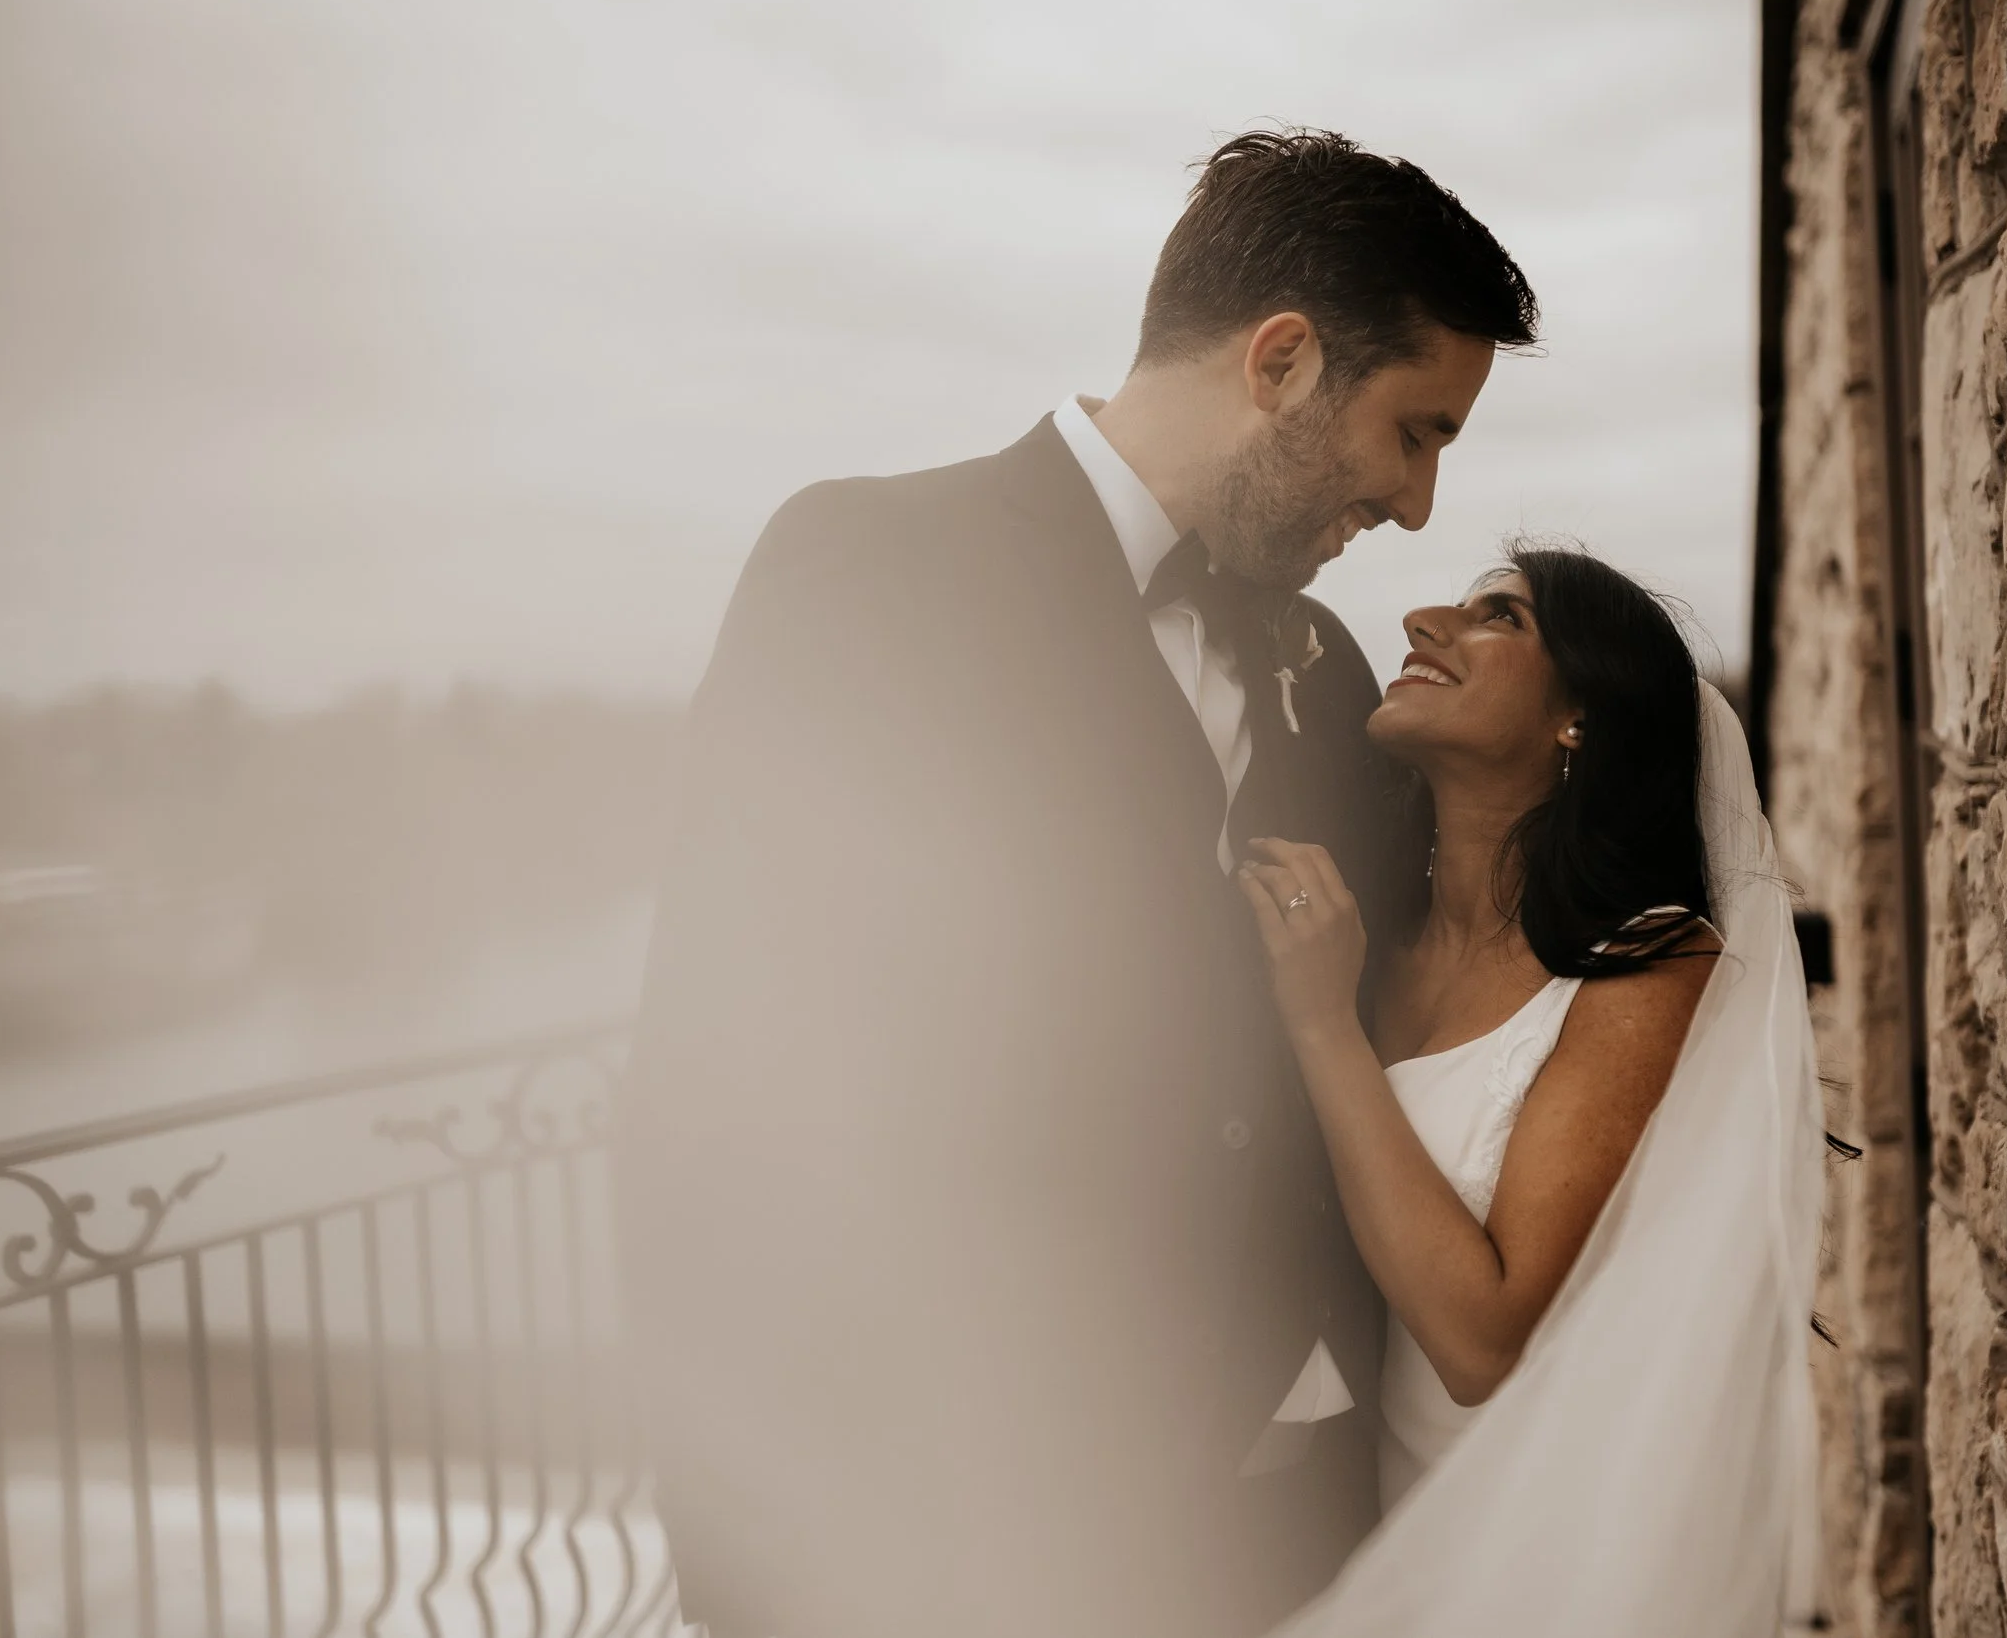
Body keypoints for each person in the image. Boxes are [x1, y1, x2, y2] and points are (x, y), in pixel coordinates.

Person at [619, 129, 1538, 1638]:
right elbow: (713, 1101)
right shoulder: (867, 572)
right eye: (1416, 432)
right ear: (1284, 360)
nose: (1419, 505)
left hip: (1316, 1526)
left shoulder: (1326, 665)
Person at [1238, 548, 1830, 1637]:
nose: (1422, 621)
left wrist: (1322, 1026)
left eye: (1494, 615)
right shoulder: (1372, 940)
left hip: (1542, 1559)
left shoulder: (1644, 961)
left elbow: (1483, 1340)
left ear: (1580, 720)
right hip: (1352, 1521)